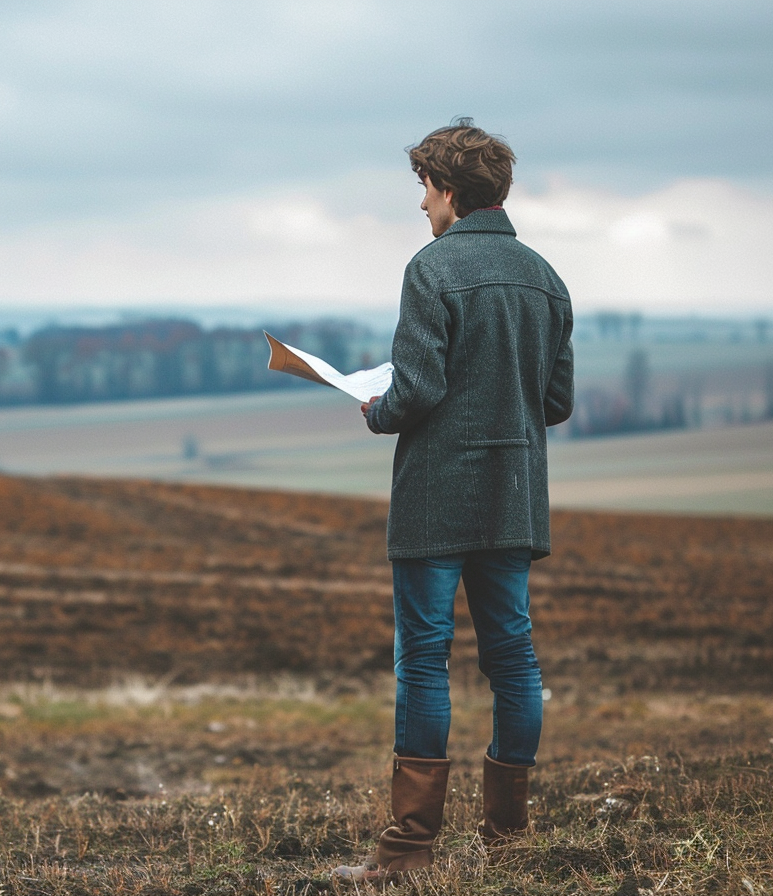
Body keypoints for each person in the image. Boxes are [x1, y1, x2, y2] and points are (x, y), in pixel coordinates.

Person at [334, 119, 574, 880]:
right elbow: (558, 400)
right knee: (514, 658)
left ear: (448, 189)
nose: (422, 205)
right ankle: (509, 840)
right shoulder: (546, 278)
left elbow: (420, 389)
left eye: (424, 188)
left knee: (425, 661)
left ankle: (407, 851)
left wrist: (376, 406)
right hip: (513, 497)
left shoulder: (430, 270)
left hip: (436, 497)